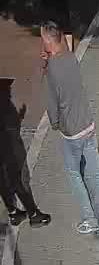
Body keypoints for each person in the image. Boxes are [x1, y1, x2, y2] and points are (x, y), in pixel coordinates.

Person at [39, 27, 99, 237]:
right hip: (88, 124)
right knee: (96, 173)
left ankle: (90, 219)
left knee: (76, 174)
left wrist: (56, 124)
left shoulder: (51, 70)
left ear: (48, 42)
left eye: (42, 39)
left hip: (71, 132)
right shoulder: (71, 59)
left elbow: (52, 103)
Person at [0, 79, 49, 228]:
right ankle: (34, 214)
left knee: (2, 180)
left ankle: (14, 213)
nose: (8, 91)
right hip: (9, 147)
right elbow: (10, 126)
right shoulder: (4, 105)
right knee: (20, 178)